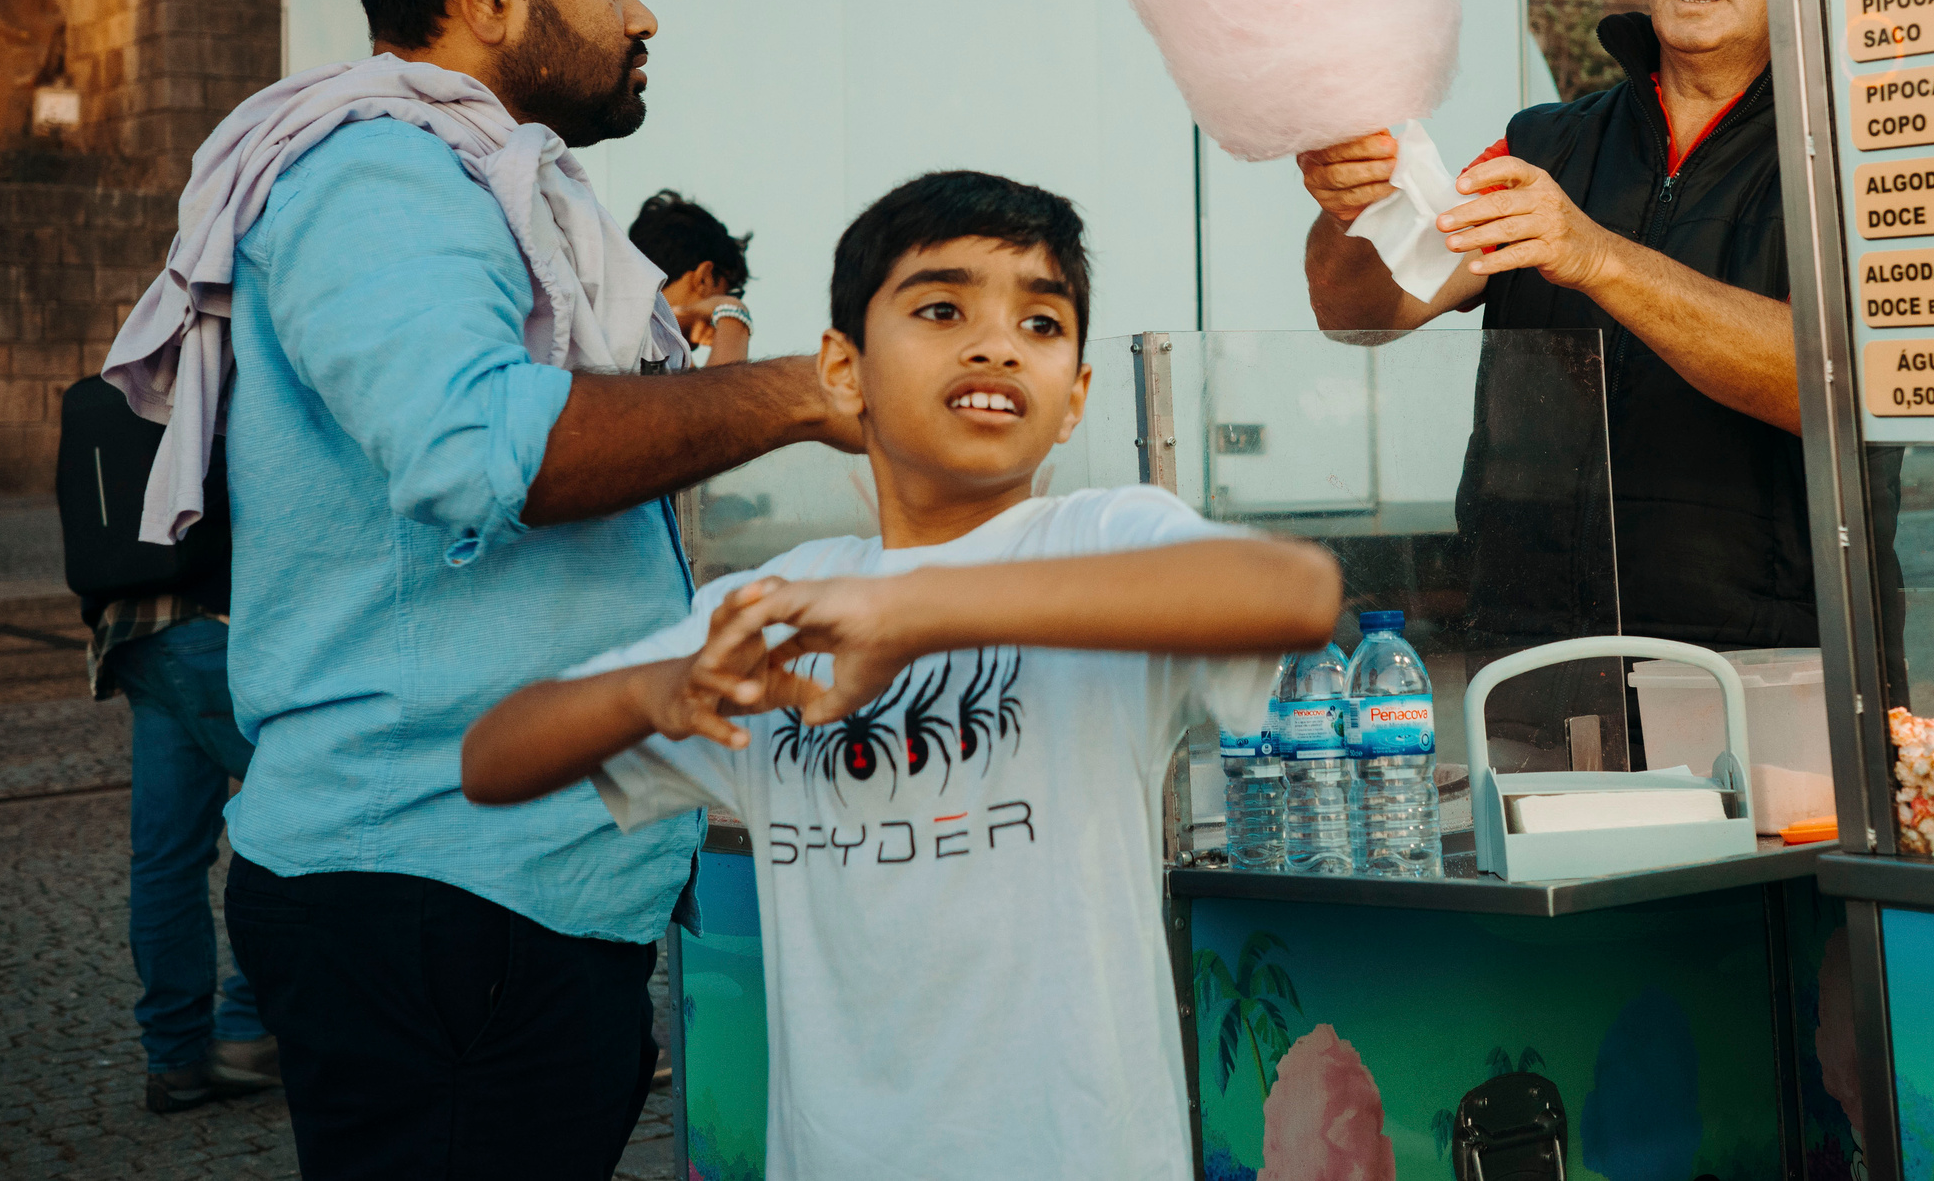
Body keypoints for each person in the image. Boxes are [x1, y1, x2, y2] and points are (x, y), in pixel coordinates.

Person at [104, 0, 858, 1179]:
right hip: (435, 895)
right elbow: (474, 444)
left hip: (503, 895)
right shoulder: (375, 173)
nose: (644, 14)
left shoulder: (492, 181)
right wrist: (809, 390)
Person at [460, 170, 1341, 1180]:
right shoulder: (774, 602)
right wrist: (653, 692)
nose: (997, 343)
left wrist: (910, 611)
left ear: (1074, 403)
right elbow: (492, 760)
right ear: (844, 369)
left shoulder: (1099, 536)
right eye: (941, 308)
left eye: (1042, 324)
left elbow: (1292, 589)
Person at [1298, 0, 1815, 678]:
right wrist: (1352, 208)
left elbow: (1840, 386)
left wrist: (1601, 258)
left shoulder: (1845, 152)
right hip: (1535, 664)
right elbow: (1358, 311)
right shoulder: (1544, 144)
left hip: (1762, 673)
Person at [83, 472, 280, 1113]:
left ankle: (176, 1058)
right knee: (315, 807)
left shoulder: (119, 387)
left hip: (134, 632)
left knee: (166, 857)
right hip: (214, 623)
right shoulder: (231, 370)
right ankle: (251, 1030)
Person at [630, 188, 754, 362]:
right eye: (725, 292)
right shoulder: (646, 350)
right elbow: (723, 389)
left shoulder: (611, 324)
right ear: (704, 277)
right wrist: (733, 312)